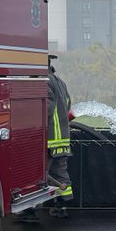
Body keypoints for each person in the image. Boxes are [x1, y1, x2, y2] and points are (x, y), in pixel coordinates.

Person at [47, 55, 74, 217]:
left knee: (36, 178)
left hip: (48, 140)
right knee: (60, 173)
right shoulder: (60, 82)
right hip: (63, 139)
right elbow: (69, 104)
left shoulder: (44, 82)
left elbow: (46, 109)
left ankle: (29, 210)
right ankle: (63, 206)